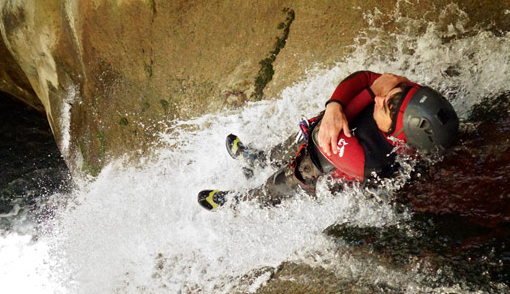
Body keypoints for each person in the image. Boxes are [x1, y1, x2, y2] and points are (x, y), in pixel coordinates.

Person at [197, 71, 459, 210]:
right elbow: (365, 77)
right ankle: (257, 158)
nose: (379, 99)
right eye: (384, 96)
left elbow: (325, 133)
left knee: (271, 189)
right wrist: (336, 105)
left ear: (399, 132)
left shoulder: (371, 162)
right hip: (315, 140)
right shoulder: (404, 103)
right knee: (282, 150)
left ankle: (236, 203)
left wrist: (358, 98)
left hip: (314, 172)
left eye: (383, 105)